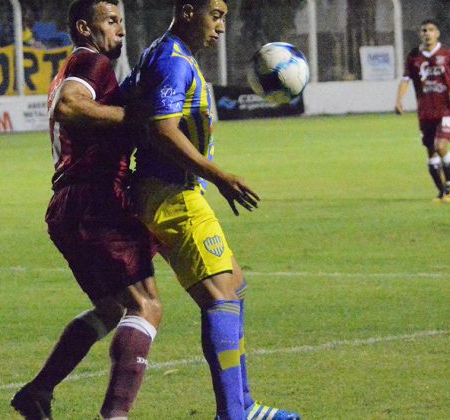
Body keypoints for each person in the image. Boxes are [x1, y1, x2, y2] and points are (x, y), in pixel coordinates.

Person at [120, 1, 300, 419]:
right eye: (215, 14)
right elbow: (163, 132)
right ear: (187, 11)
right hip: (172, 194)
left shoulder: (159, 53)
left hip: (171, 191)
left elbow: (131, 107)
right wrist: (220, 176)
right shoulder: (172, 61)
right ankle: (233, 414)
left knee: (232, 287)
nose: (221, 26)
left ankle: (243, 405)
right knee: (221, 297)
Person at [10, 1, 162, 419]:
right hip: (95, 200)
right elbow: (70, 107)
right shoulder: (90, 61)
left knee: (112, 309)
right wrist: (132, 117)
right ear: (84, 28)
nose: (121, 31)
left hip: (68, 205)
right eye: (111, 22)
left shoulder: (72, 67)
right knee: (146, 305)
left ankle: (38, 391)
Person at [395, 19, 450, 202]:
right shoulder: (414, 56)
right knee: (431, 152)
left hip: (445, 110)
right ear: (420, 34)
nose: (427, 33)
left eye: (431, 30)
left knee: (441, 146)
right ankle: (441, 191)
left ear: (437, 33)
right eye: (424, 30)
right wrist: (399, 100)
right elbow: (405, 80)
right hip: (425, 112)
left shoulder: (447, 54)